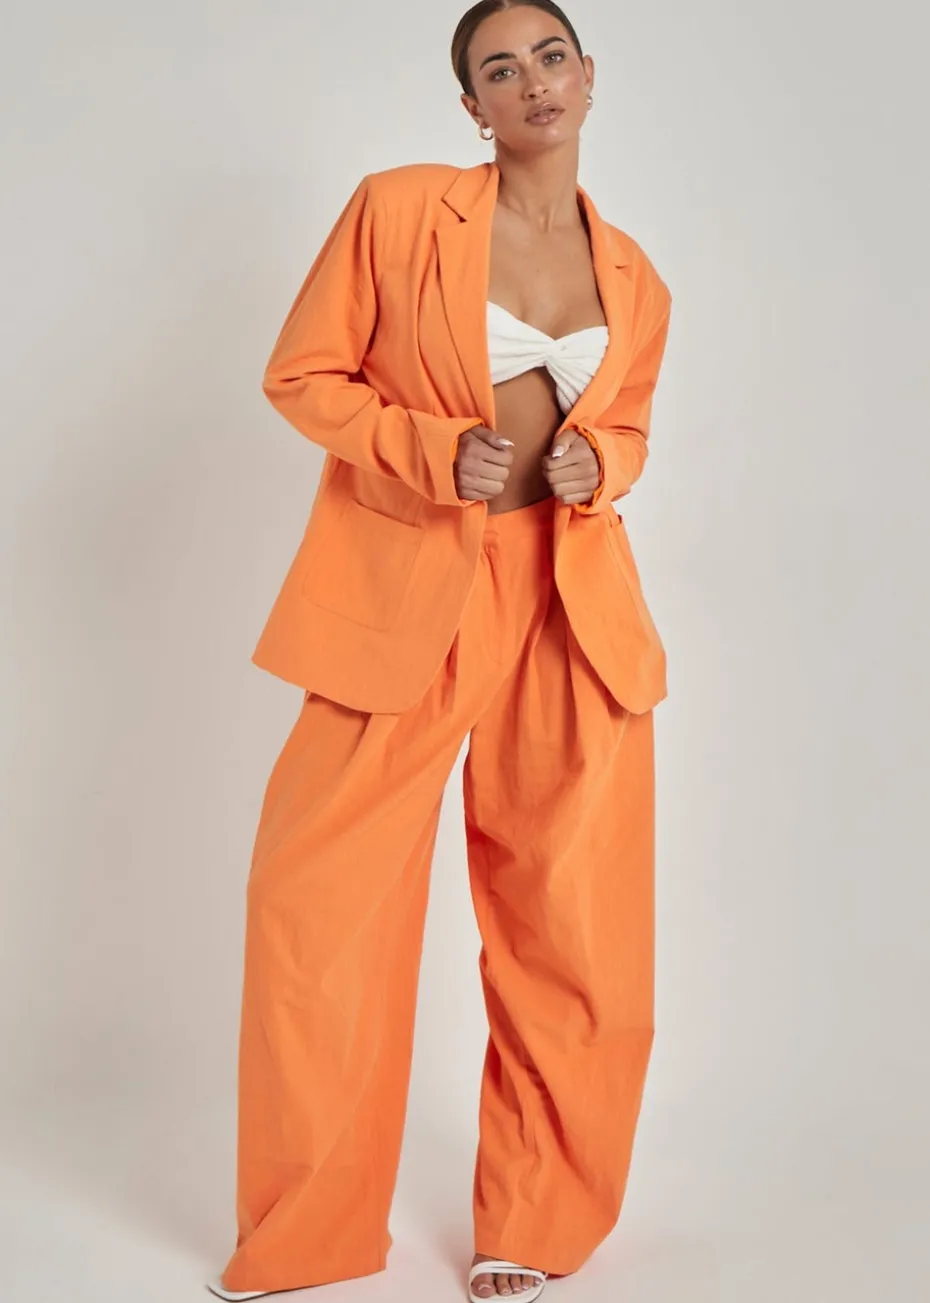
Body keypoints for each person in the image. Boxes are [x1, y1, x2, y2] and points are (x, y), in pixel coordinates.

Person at [207, 2, 673, 1301]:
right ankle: (308, 1232)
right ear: (473, 106)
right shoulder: (399, 210)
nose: (531, 82)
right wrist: (425, 448)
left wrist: (599, 463)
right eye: (499, 69)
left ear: (588, 77)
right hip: (407, 588)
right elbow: (303, 374)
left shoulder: (636, 276)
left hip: (572, 608)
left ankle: (535, 1220)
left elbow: (631, 428)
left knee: (570, 929)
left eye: (550, 57)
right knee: (314, 911)